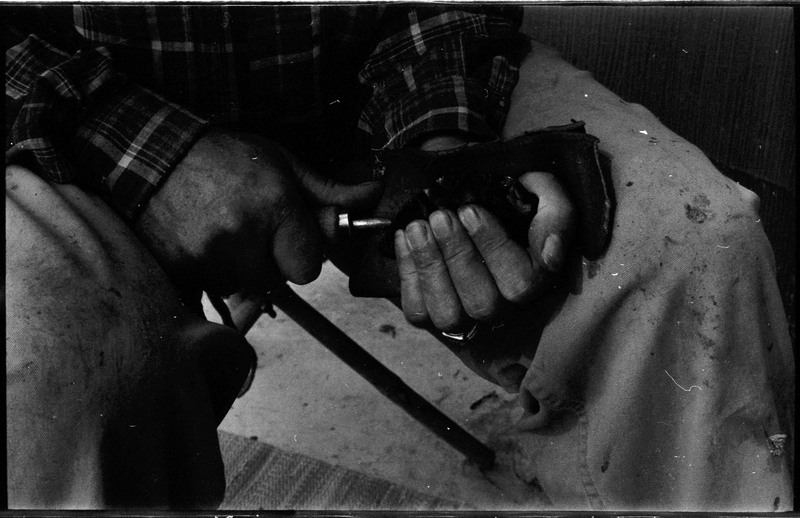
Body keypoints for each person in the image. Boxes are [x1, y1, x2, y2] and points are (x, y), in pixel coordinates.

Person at [5, 4, 793, 511]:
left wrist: (443, 148)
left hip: (362, 99)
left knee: (694, 249)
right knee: (50, 378)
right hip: (66, 125)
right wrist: (150, 151)